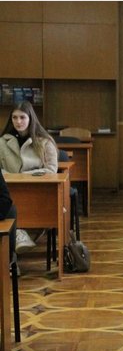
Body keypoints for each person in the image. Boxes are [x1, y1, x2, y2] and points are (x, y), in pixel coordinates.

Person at [0, 101, 58, 253]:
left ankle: (23, 233)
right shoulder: (2, 142)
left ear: (31, 118)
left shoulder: (45, 141)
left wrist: (23, 176)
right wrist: (8, 176)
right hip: (9, 191)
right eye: (14, 117)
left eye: (22, 117)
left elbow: (52, 169)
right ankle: (17, 237)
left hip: (37, 191)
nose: (18, 121)